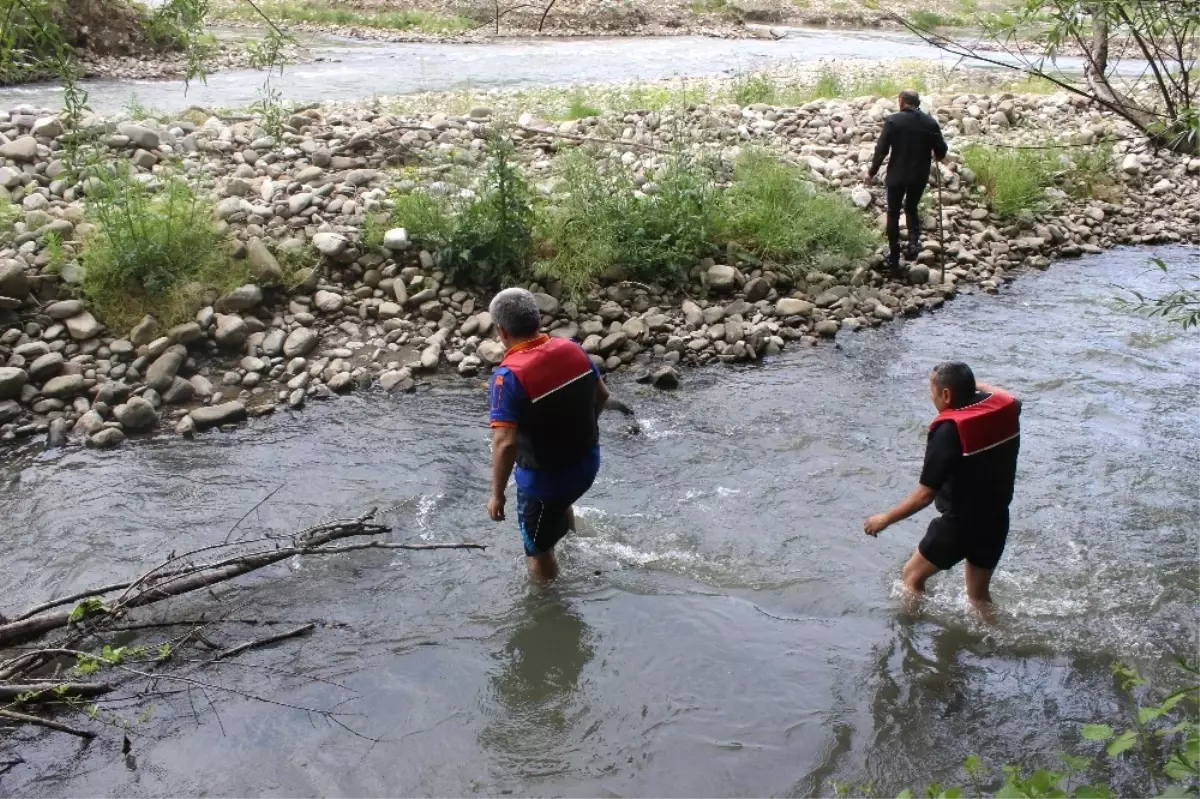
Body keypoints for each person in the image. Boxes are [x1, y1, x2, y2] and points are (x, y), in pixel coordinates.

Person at [863, 362, 1021, 614]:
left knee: (911, 577)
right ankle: (1000, 644)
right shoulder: (1008, 408)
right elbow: (1009, 396)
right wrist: (970, 385)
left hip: (960, 525)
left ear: (946, 395)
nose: (930, 395)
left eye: (932, 389)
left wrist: (885, 519)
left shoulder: (949, 431)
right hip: (997, 520)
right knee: (978, 598)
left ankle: (913, 638)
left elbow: (925, 494)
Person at [486, 288, 610, 580]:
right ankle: (573, 541)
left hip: (544, 485)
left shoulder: (507, 377)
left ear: (502, 332)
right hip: (587, 465)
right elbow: (602, 396)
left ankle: (551, 602)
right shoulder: (571, 349)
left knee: (539, 554)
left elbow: (505, 444)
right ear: (538, 320)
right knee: (559, 505)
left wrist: (496, 496)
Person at [864, 89, 949, 273]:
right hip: (919, 175)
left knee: (893, 213)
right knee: (911, 207)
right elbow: (942, 150)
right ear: (916, 103)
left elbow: (881, 150)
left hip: (897, 175)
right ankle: (913, 245)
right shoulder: (930, 123)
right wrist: (937, 152)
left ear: (902, 101)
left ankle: (894, 257)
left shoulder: (894, 120)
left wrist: (872, 172)